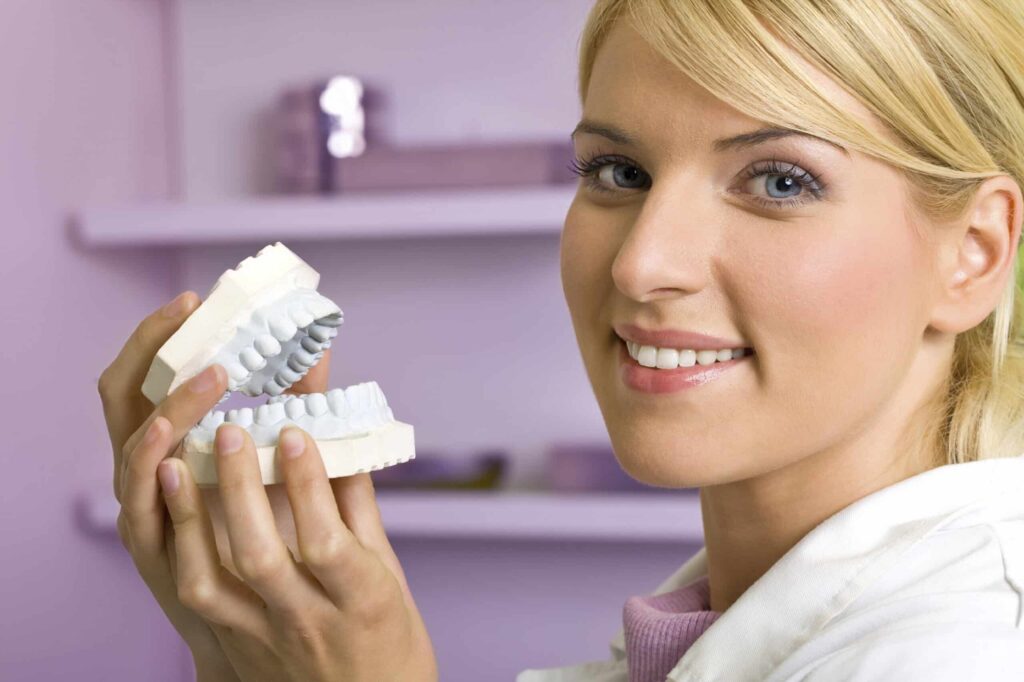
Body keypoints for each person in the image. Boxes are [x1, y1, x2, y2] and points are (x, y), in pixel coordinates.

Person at [98, 0, 1024, 680]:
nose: (641, 263)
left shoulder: (965, 651)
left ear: (972, 256)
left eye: (779, 182)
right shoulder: (697, 635)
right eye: (618, 171)